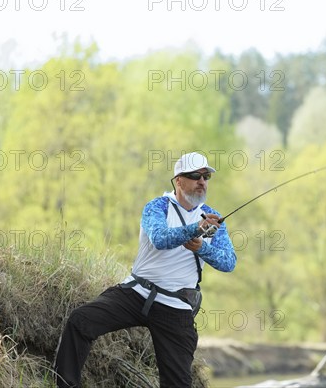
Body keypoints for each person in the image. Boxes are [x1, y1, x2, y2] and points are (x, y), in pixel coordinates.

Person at [54, 152, 237, 388]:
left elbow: (229, 262)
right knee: (80, 321)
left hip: (176, 306)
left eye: (206, 176)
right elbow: (161, 239)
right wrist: (195, 229)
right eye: (195, 175)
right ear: (178, 181)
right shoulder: (157, 206)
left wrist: (202, 248)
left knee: (178, 383)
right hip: (135, 293)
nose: (202, 181)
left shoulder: (214, 220)